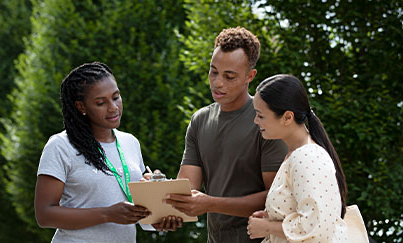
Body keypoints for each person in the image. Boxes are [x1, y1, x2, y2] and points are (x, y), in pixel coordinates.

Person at [163, 27, 288, 242]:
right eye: (213, 72)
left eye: (229, 76)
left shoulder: (267, 121)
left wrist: (210, 203)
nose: (218, 82)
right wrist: (160, 197)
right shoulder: (200, 120)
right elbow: (187, 189)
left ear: (250, 76)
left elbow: (277, 197)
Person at [34, 62, 151, 242]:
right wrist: (107, 214)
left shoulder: (130, 142)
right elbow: (44, 214)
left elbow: (136, 207)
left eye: (116, 97)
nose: (113, 107)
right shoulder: (61, 146)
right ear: (81, 107)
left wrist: (158, 204)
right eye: (100, 102)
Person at [246, 74, 348, 242]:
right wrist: (272, 218)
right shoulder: (296, 155)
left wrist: (268, 227)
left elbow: (317, 226)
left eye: (261, 115)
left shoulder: (308, 157)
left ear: (287, 117)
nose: (256, 121)